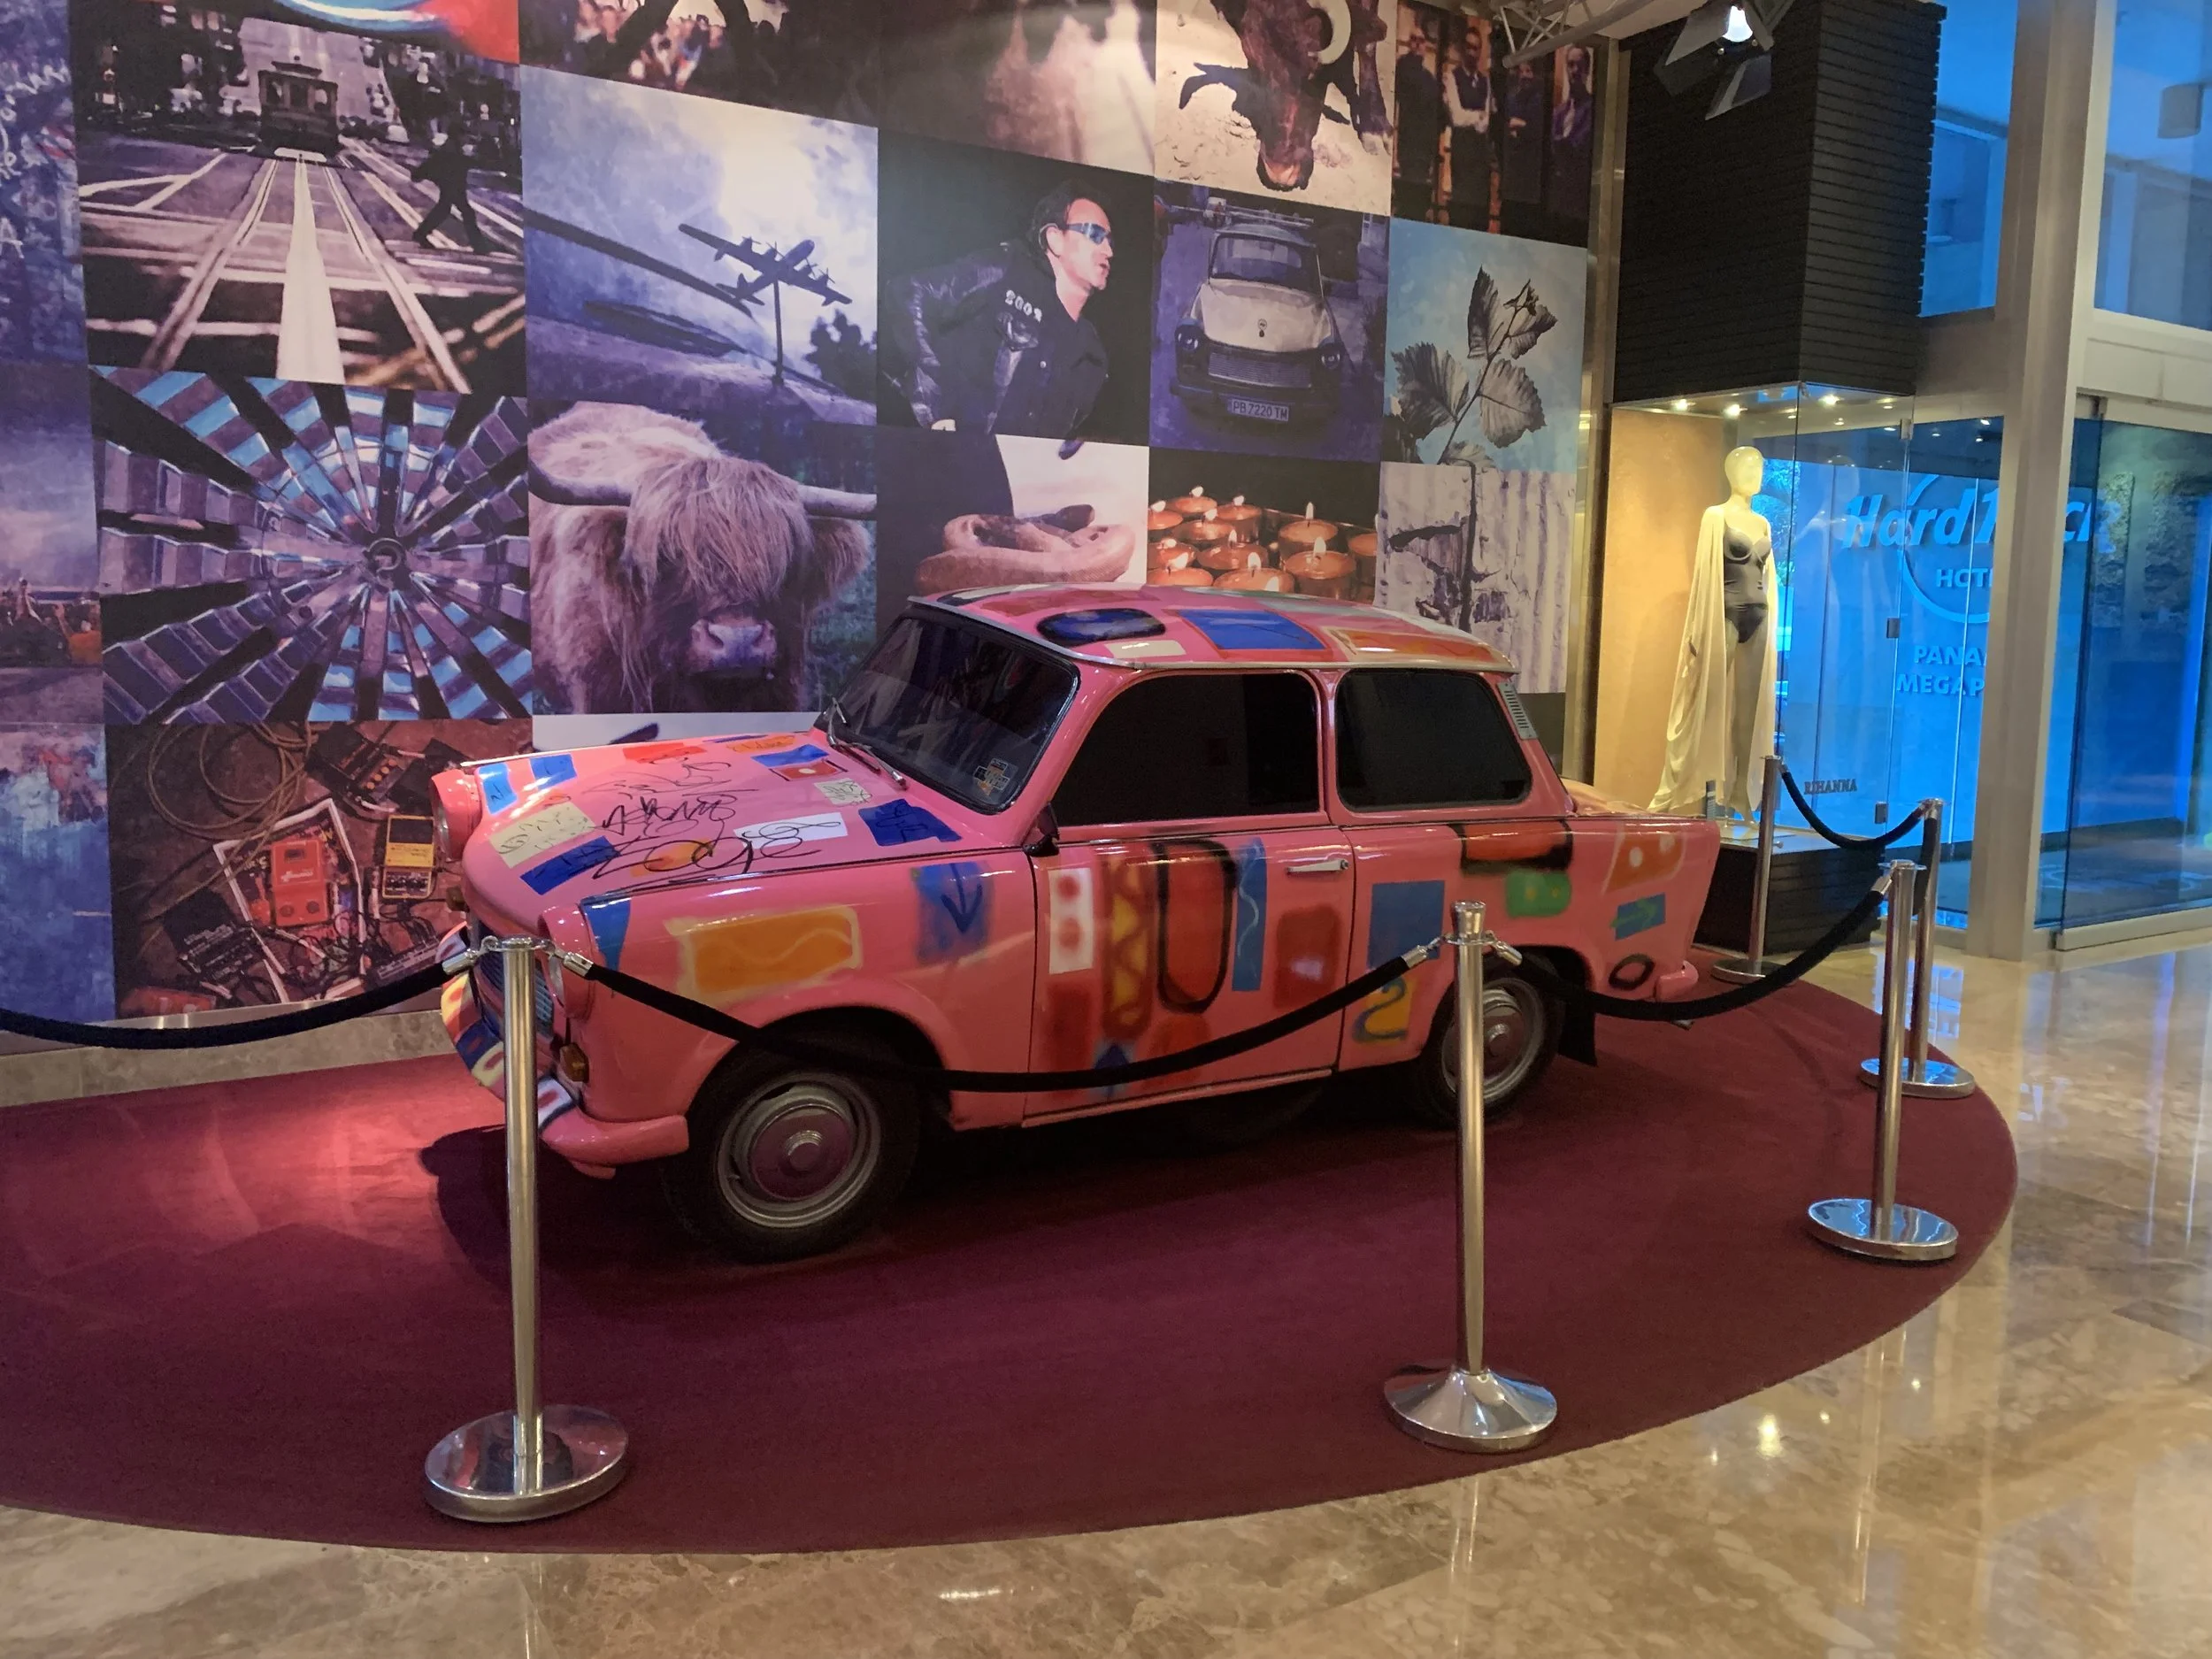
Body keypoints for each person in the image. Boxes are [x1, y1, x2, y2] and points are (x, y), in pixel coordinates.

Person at [879, 180, 1114, 442]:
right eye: (1095, 234)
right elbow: (909, 293)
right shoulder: (1006, 270)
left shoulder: (1093, 355)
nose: (1108, 250)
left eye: (1110, 240)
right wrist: (936, 405)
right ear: (1055, 239)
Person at [1393, 14, 1443, 221]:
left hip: (1425, 150)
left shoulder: (1429, 77)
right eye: (1413, 40)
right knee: (1409, 202)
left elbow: (1440, 109)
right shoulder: (1404, 67)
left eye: (1421, 41)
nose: (1417, 45)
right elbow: (1418, 93)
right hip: (1410, 147)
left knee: (1421, 203)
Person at [1442, 26, 1492, 231]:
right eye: (1469, 47)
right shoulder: (1451, 77)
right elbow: (1457, 116)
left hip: (1480, 158)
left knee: (1478, 215)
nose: (1472, 53)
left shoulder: (1485, 81)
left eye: (1476, 48)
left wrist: (1476, 117)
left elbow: (1486, 120)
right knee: (1461, 211)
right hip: (1462, 154)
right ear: (1463, 49)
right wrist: (1476, 116)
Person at [411, 128, 489, 254]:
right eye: (465, 135)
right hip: (452, 184)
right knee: (464, 212)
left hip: (452, 184)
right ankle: (479, 245)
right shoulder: (451, 149)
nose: (466, 139)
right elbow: (453, 162)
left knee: (445, 209)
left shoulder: (453, 147)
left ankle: (421, 233)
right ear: (458, 135)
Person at [1499, 58, 1546, 239]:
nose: (1525, 75)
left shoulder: (1540, 102)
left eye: (1529, 71)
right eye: (1522, 71)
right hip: (1512, 179)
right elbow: (1507, 131)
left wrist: (1520, 126)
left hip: (1531, 182)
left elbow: (1535, 132)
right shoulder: (1511, 100)